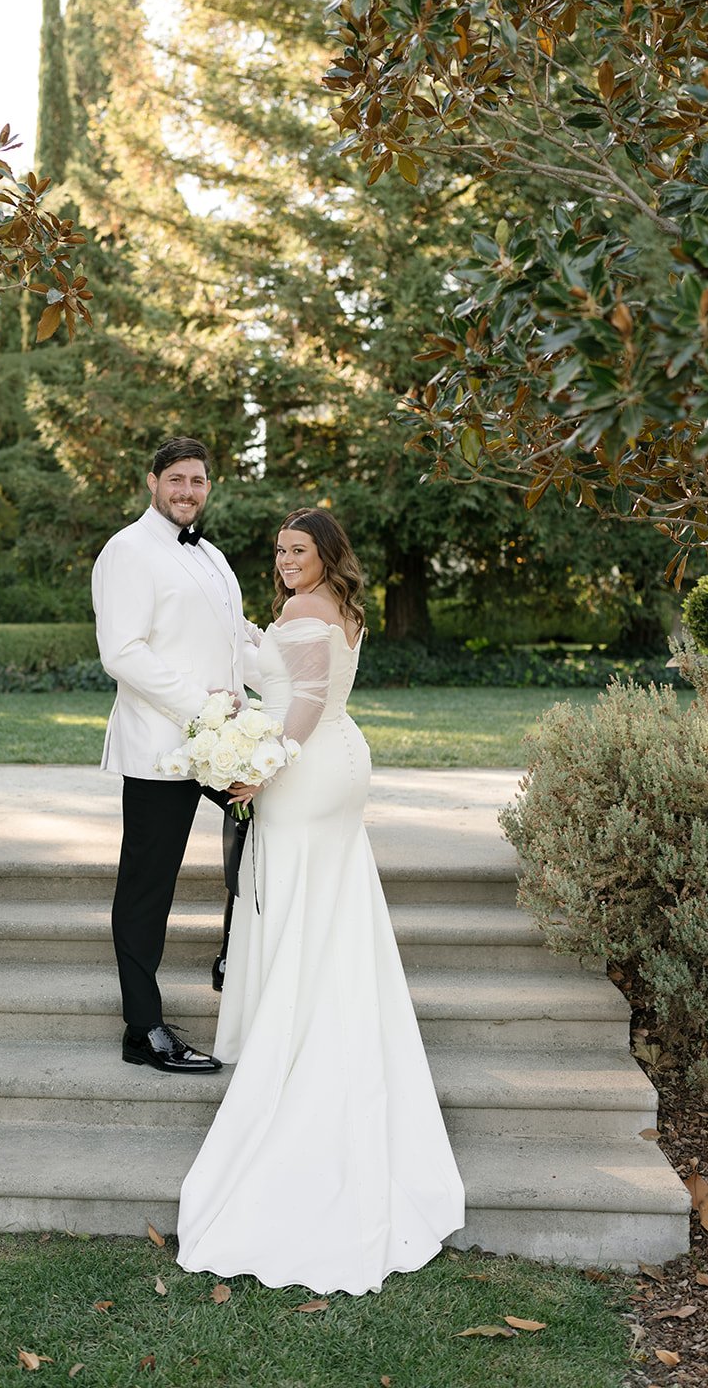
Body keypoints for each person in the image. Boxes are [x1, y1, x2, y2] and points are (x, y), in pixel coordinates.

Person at [176, 508, 465, 1293]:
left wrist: (259, 767)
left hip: (305, 767)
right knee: (328, 904)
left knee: (301, 900)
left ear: (326, 554)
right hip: (341, 759)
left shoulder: (305, 612)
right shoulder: (339, 608)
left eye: (297, 551)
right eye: (278, 551)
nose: (284, 562)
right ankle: (321, 1018)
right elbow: (297, 689)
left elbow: (299, 705)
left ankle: (299, 1036)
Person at [92, 437, 253, 1074]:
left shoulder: (210, 553)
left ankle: (235, 949)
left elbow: (233, 641)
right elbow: (123, 654)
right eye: (177, 480)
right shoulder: (127, 551)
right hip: (163, 747)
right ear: (152, 481)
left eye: (199, 481)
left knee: (264, 825)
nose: (188, 492)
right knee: (146, 887)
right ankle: (143, 1028)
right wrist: (201, 707)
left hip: (221, 743)